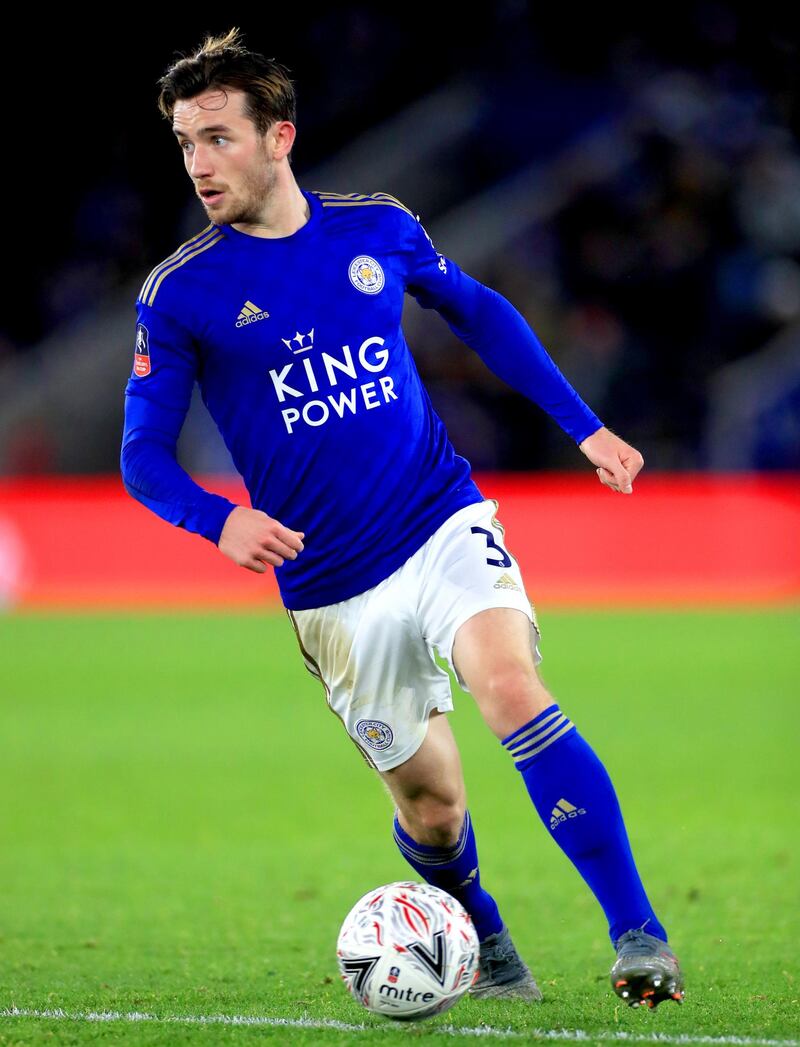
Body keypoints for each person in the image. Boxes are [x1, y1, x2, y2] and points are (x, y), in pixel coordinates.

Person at [121, 26, 684, 1009]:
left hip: (438, 519)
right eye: (183, 142)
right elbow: (140, 456)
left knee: (510, 686)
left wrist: (582, 426)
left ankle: (637, 932)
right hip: (332, 589)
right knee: (432, 809)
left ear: (278, 136)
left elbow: (475, 310)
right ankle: (485, 935)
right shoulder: (181, 293)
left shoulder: (374, 227)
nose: (197, 162)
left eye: (216, 137)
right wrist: (216, 523)